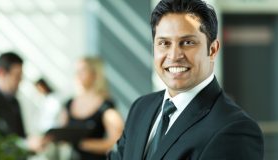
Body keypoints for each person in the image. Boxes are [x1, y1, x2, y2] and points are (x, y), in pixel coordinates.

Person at [108, 0, 264, 160]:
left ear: (212, 50)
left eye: (187, 42)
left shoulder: (235, 130)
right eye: (164, 43)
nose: (174, 55)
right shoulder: (141, 108)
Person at [61, 56, 124, 160]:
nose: (77, 75)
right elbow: (62, 134)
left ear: (95, 74)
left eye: (83, 71)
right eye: (77, 71)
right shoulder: (69, 103)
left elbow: (117, 140)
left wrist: (85, 144)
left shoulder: (105, 105)